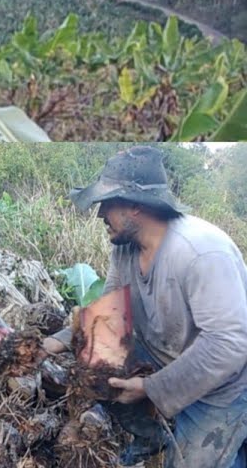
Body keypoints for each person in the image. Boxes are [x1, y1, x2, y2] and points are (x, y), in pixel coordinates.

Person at [42, 145, 247, 468]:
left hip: (223, 385)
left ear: (135, 206)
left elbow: (229, 344)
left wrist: (151, 388)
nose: (99, 215)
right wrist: (56, 341)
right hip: (166, 356)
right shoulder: (125, 247)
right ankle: (151, 437)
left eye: (106, 204)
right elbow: (108, 312)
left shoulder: (201, 252)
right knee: (98, 368)